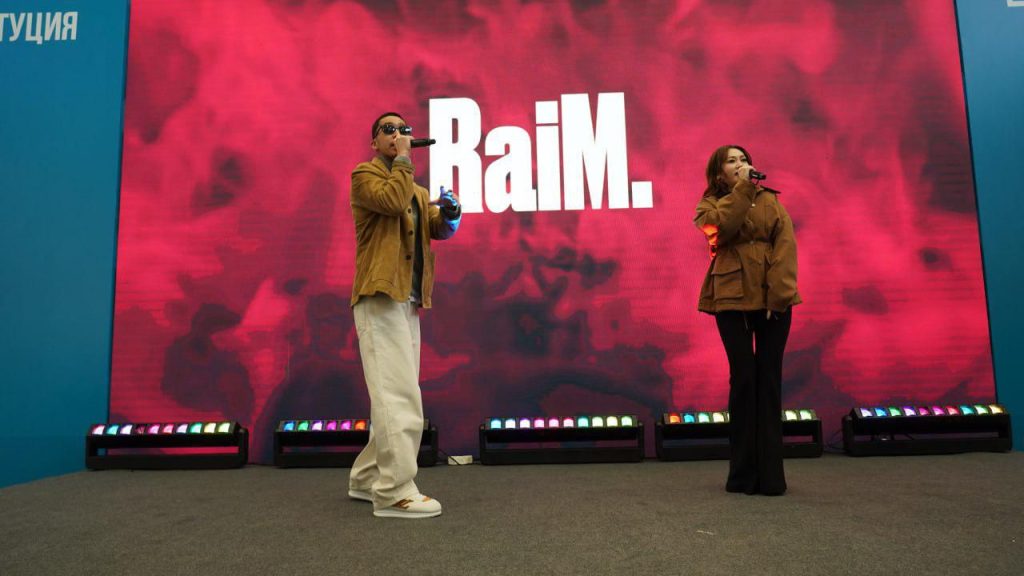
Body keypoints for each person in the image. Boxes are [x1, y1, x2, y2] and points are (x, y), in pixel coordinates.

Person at [347, 112, 461, 518]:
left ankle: (367, 479)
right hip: (379, 296)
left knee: (394, 392)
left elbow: (438, 229)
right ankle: (394, 491)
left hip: (406, 300)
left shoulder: (414, 188)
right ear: (375, 143)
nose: (398, 134)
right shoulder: (365, 176)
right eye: (389, 129)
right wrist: (404, 160)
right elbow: (392, 201)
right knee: (399, 395)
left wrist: (450, 212)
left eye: (403, 129)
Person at [693, 145, 800, 496]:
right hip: (730, 297)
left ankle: (771, 478)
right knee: (743, 380)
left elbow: (786, 246)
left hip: (773, 300)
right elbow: (722, 229)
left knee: (769, 381)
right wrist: (741, 189)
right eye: (732, 161)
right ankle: (742, 475)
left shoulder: (771, 201)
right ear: (719, 172)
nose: (741, 164)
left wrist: (779, 296)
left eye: (744, 159)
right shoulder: (708, 206)